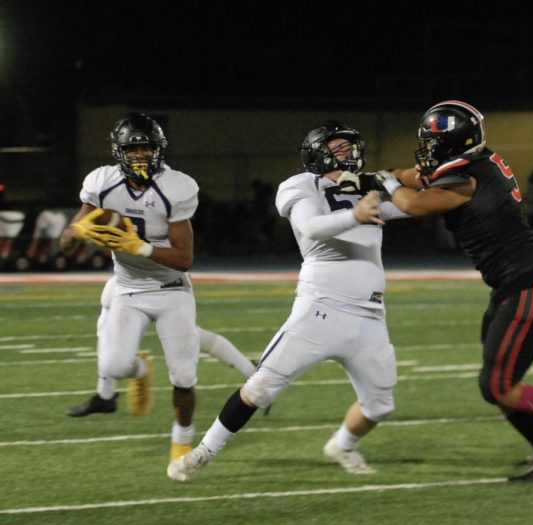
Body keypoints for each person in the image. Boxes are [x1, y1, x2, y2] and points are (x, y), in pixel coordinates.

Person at [378, 100, 533, 482]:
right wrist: (387, 174)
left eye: (433, 142)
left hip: (529, 284)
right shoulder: (474, 164)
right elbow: (418, 176)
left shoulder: (464, 179)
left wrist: (388, 184)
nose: (427, 150)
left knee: (497, 385)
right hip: (514, 284)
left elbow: (414, 202)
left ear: (452, 144)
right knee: (497, 381)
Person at [167, 121, 406, 482]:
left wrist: (404, 183)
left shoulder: (365, 187)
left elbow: (410, 207)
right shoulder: (300, 186)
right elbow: (310, 226)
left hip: (371, 315)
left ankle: (342, 444)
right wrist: (355, 214)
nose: (348, 155)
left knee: (380, 405)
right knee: (261, 386)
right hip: (321, 309)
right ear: (316, 153)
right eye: (338, 148)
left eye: (349, 147)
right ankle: (203, 451)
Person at [61, 113, 202, 464]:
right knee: (114, 366)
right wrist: (79, 232)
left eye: (147, 147)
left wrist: (137, 246)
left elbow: (184, 259)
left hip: (171, 289)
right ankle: (141, 368)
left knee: (184, 376)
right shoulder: (101, 183)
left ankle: (181, 442)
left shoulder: (177, 187)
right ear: (118, 151)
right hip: (128, 288)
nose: (140, 154)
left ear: (159, 150)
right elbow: (69, 238)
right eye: (133, 147)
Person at [66, 276, 259, 417]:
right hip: (132, 280)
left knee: (193, 337)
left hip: (167, 280)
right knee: (109, 305)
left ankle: (252, 371)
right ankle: (105, 394)